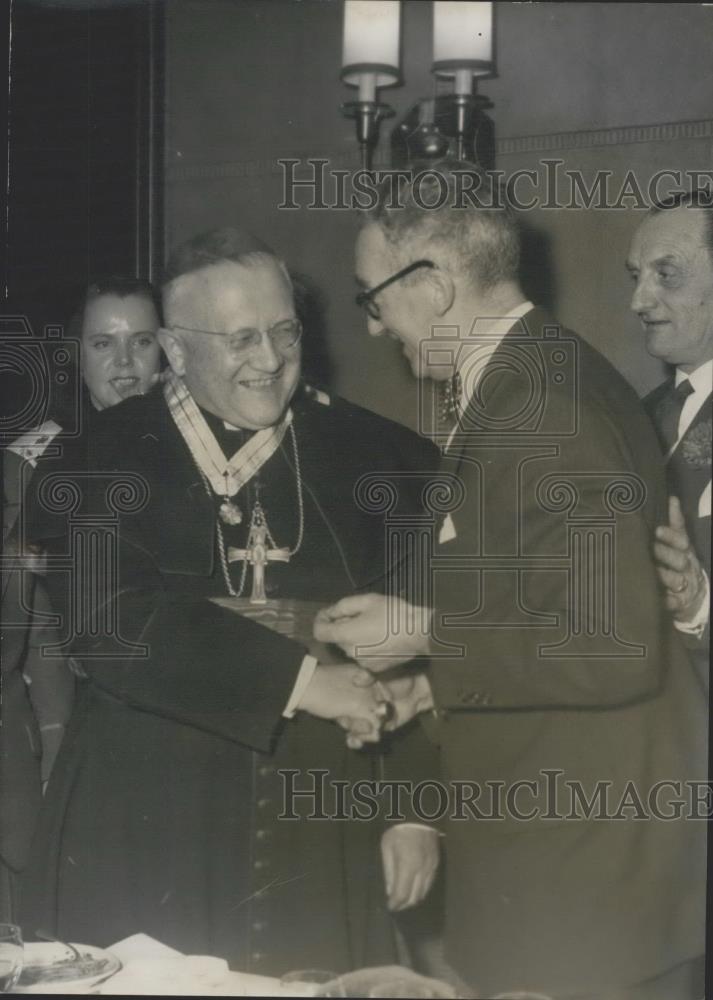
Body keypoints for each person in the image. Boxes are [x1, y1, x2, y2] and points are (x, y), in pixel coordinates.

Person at [315, 161, 707, 999]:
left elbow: (609, 646)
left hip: (589, 893)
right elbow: (534, 608)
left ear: (436, 283)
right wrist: (432, 688)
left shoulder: (544, 404)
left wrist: (424, 635)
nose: (376, 328)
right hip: (561, 869)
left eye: (371, 298)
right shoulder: (518, 383)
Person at [20, 228, 439, 976]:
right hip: (143, 811)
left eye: (283, 331)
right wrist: (304, 681)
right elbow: (111, 626)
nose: (271, 360)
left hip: (320, 815)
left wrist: (411, 809)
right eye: (239, 339)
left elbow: (412, 651)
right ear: (177, 352)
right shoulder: (92, 462)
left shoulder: (381, 458)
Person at [1, 277, 163, 921]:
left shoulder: (210, 456)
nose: (124, 364)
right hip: (73, 725)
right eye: (104, 344)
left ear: (169, 348)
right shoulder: (27, 468)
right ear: (76, 354)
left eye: (142, 342)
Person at [627, 191, 712, 688]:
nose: (638, 300)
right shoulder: (633, 418)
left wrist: (699, 602)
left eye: (666, 274)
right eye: (634, 276)